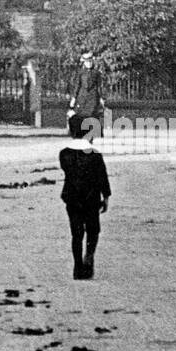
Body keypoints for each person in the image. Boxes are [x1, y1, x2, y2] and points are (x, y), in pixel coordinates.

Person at [59, 113, 112, 281]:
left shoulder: (64, 154)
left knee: (76, 233)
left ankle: (77, 266)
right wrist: (106, 197)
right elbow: (102, 178)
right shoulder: (95, 156)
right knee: (93, 230)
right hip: (91, 198)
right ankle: (89, 258)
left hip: (72, 197)